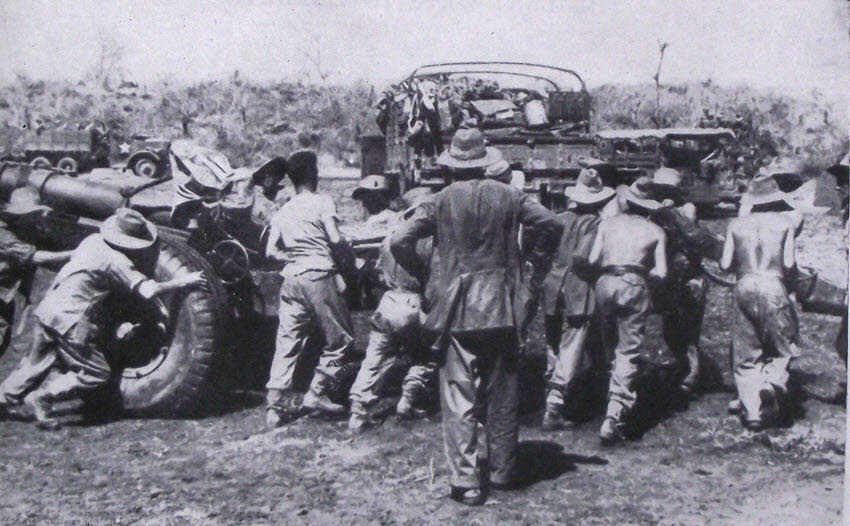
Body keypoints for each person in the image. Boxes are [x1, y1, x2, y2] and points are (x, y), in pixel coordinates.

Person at [390, 127, 562, 505]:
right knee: (503, 392)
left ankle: (467, 482)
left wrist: (425, 274)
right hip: (503, 304)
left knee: (458, 396)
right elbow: (552, 224)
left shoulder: (439, 201)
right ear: (485, 161)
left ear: (453, 163)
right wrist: (534, 268)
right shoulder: (510, 196)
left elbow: (399, 240)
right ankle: (503, 470)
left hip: (456, 308)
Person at [0, 208, 206, 429]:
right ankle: (45, 397)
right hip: (71, 319)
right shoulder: (116, 261)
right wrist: (184, 281)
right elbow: (149, 290)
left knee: (35, 363)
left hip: (48, 308)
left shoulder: (92, 240)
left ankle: (3, 399)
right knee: (97, 373)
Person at [264, 150, 358, 429]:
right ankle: (316, 393)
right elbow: (335, 237)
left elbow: (271, 252)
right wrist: (347, 251)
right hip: (319, 274)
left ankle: (275, 404)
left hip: (291, 279)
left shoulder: (283, 210)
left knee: (287, 341)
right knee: (341, 340)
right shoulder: (322, 201)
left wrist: (295, 257)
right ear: (314, 176)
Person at [348, 191, 437, 433]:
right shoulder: (426, 242)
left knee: (374, 357)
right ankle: (408, 399)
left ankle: (358, 411)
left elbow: (377, 271)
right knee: (428, 354)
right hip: (414, 302)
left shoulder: (389, 237)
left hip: (389, 301)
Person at [588, 177, 668, 444]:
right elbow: (662, 272)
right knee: (628, 350)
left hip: (605, 283)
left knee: (609, 344)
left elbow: (592, 259)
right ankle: (614, 414)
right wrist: (643, 277)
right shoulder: (656, 231)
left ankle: (606, 393)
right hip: (634, 283)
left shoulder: (607, 224)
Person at [720, 175, 800, 431]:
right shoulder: (785, 222)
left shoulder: (736, 223)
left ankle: (752, 411)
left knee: (745, 349)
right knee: (784, 343)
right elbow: (788, 264)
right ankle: (771, 382)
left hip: (744, 284)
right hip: (772, 283)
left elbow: (724, 265)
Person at [540, 168, 614, 430]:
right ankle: (555, 403)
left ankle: (555, 382)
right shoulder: (595, 224)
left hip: (553, 283)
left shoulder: (559, 219)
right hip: (578, 285)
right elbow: (584, 257)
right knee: (575, 338)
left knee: (553, 340)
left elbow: (542, 248)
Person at [0, 187, 73, 358]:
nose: (38, 217)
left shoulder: (27, 232)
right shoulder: (3, 234)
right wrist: (75, 253)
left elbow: (52, 256)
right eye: (33, 214)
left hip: (5, 299)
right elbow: (35, 257)